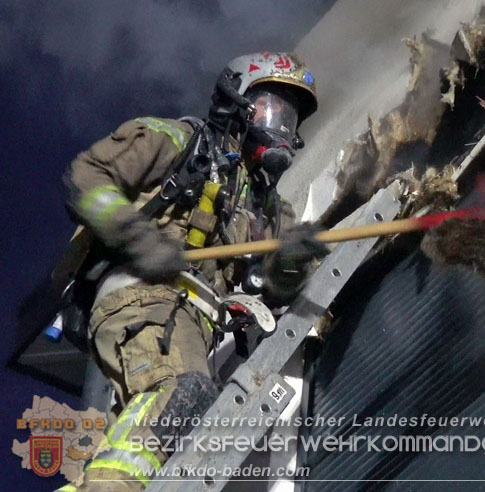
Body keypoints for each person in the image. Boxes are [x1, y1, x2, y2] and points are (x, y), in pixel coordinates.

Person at [56, 52, 326, 491]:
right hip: (143, 294)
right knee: (180, 393)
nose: (281, 129)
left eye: (289, 120)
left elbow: (276, 286)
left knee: (162, 440)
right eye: (271, 111)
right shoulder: (178, 141)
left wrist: (294, 259)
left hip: (194, 320)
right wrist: (141, 241)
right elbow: (87, 176)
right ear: (235, 103)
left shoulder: (268, 206)